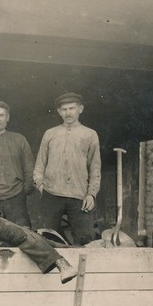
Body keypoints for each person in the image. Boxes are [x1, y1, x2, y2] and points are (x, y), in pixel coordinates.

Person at [33, 92, 101, 245]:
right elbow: (39, 164)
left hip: (79, 196)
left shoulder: (90, 135)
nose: (68, 113)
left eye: (72, 108)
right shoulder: (50, 134)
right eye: (64, 109)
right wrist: (41, 185)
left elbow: (95, 168)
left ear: (80, 109)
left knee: (85, 240)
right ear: (59, 112)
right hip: (51, 194)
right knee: (45, 240)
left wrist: (91, 194)